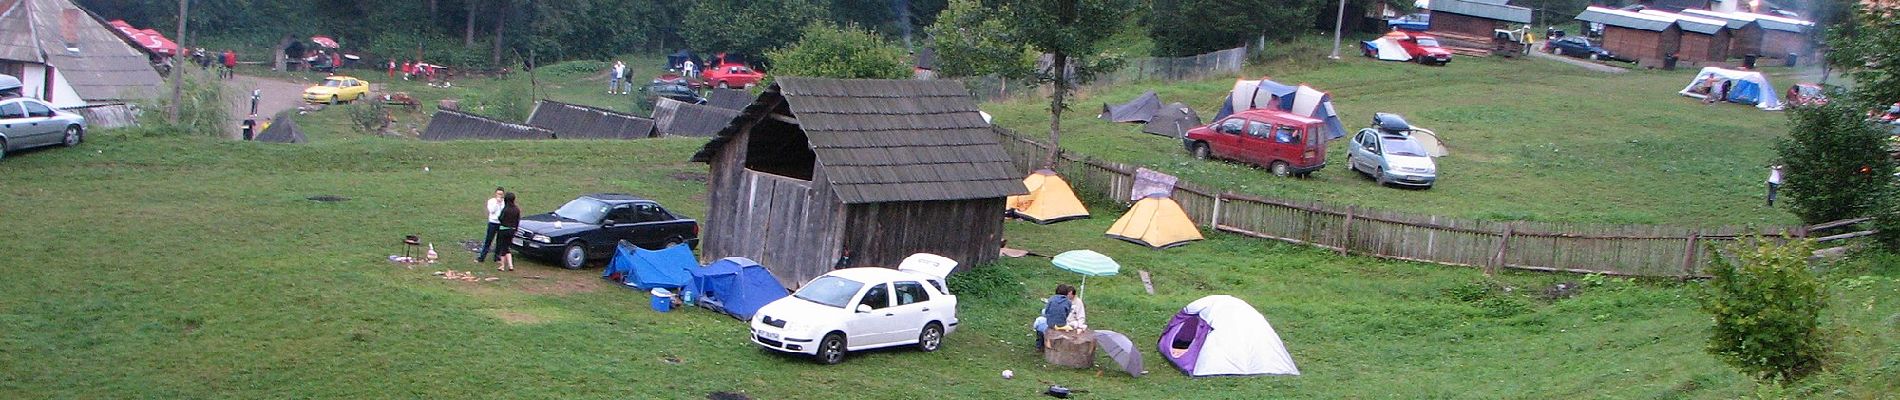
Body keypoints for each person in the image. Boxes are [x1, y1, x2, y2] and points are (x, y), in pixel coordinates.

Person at [1033, 284, 1075, 352]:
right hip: (1062, 323)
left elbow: (1047, 311)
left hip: (1050, 323)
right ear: (1066, 293)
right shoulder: (1068, 302)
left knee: (1039, 322)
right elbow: (1067, 313)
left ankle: (1039, 345)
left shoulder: (1051, 298)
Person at [476, 187, 506, 263]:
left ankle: (497, 257)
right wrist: (497, 203)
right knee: (488, 241)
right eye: (498, 193)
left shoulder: (505, 202)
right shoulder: (491, 201)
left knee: (500, 241)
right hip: (492, 223)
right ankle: (482, 257)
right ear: (495, 193)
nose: (500, 195)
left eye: (501, 194)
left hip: (501, 223)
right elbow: (491, 211)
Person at [497, 192, 522, 271]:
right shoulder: (516, 209)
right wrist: (515, 229)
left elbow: (500, 218)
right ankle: (510, 265)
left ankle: (502, 266)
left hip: (504, 229)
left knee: (503, 248)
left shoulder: (506, 209)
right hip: (512, 230)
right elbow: (518, 220)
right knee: (507, 247)